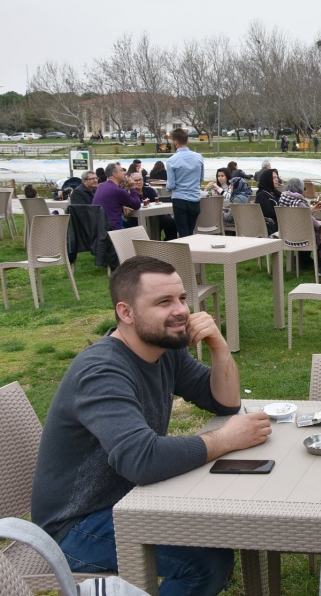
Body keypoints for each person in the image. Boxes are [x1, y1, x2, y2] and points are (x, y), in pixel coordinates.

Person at [31, 256, 271, 596]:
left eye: (182, 299)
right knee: (205, 564)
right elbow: (142, 459)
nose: (182, 311)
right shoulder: (102, 372)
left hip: (133, 499)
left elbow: (224, 403)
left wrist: (219, 348)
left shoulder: (163, 348)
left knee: (217, 534)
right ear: (126, 313)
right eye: (164, 302)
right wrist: (226, 439)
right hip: (76, 526)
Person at [166, 129, 204, 238]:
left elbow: (171, 185)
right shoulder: (199, 157)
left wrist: (168, 187)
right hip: (194, 198)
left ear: (175, 142)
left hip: (180, 199)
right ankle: (191, 253)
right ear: (187, 141)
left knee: (183, 233)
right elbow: (200, 178)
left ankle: (185, 254)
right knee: (190, 231)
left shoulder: (171, 161)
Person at [277, 177, 321, 258]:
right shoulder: (299, 203)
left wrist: (311, 210)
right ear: (300, 188)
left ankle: (301, 260)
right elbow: (313, 223)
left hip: (288, 235)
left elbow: (298, 217)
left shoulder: (283, 199)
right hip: (303, 238)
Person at [93, 163, 142, 230]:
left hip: (98, 227)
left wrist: (121, 207)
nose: (124, 173)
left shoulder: (101, 186)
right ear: (114, 174)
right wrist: (132, 188)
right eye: (121, 171)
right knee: (136, 234)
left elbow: (111, 202)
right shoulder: (117, 190)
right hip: (111, 229)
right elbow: (136, 205)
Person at [254, 168, 280, 235]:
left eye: (277, 177)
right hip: (273, 227)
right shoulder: (261, 195)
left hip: (282, 222)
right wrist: (284, 211)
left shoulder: (277, 193)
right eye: (274, 178)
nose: (277, 179)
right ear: (267, 179)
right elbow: (269, 213)